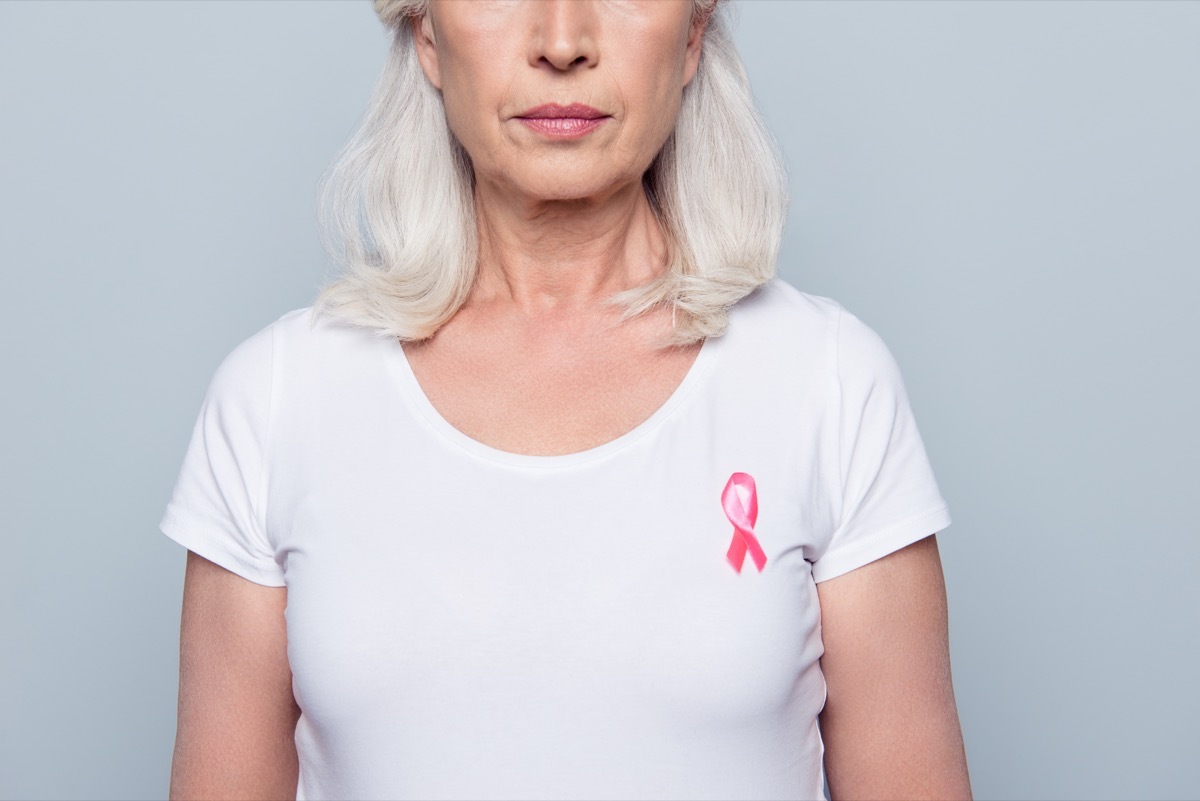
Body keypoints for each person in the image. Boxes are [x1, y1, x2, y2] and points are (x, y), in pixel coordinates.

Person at [159, 1, 972, 798]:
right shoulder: (277, 400)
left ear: (693, 33)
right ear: (426, 35)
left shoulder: (826, 384)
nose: (561, 39)